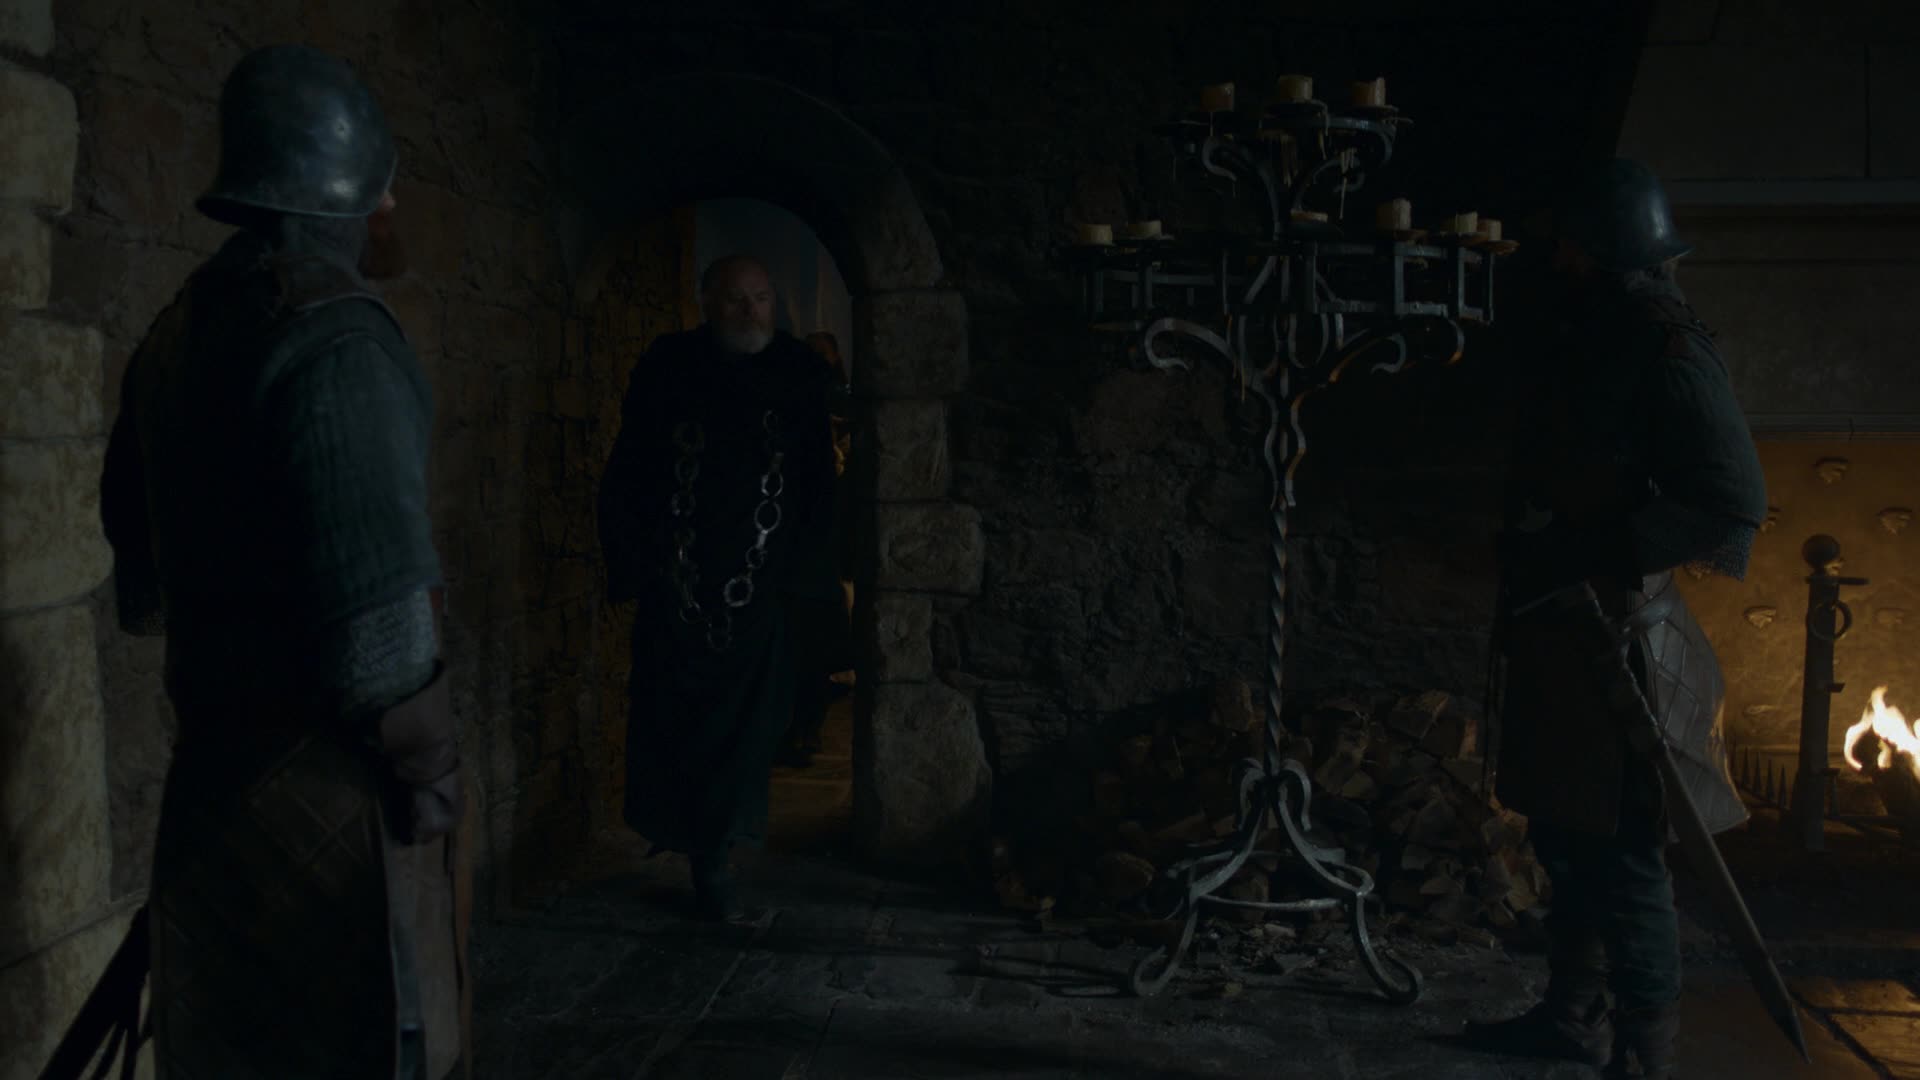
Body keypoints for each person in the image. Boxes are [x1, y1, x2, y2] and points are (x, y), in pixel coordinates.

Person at [93, 44, 468, 1080]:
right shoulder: (338, 342)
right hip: (331, 813)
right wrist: (432, 781)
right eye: (385, 184)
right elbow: (381, 642)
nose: (392, 203)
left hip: (210, 794)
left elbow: (144, 586)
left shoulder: (176, 332)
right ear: (351, 190)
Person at [1467, 158, 1767, 1079]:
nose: (1556, 256)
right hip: (1566, 632)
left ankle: (1646, 1055)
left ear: (1607, 248)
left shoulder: (1667, 346)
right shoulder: (1595, 334)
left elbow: (1729, 500)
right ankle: (1573, 1017)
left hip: (1621, 642)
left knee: (1627, 856)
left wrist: (1592, 548)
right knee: (1568, 836)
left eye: (1570, 243)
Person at [599, 254, 838, 919]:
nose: (750, 311)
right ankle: (700, 850)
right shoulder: (670, 367)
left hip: (761, 594)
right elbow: (633, 466)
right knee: (677, 724)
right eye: (735, 299)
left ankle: (716, 860)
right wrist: (634, 562)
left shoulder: (798, 375)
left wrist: (806, 582)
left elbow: (817, 484)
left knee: (748, 732)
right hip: (680, 590)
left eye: (760, 298)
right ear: (707, 301)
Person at [776, 331, 856, 767]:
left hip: (814, 557)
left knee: (812, 653)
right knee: (799, 651)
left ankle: (804, 729)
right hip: (800, 558)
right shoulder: (797, 417)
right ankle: (797, 730)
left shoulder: (829, 409)